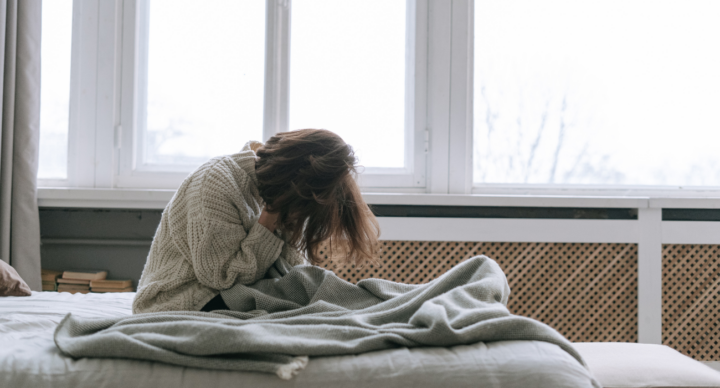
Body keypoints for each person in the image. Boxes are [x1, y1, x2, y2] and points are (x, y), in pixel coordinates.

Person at [132, 129, 379, 314]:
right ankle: (378, 306)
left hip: (226, 294)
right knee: (308, 286)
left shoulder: (273, 190)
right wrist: (269, 218)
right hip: (179, 300)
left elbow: (289, 270)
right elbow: (221, 277)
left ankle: (381, 303)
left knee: (308, 284)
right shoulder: (216, 182)